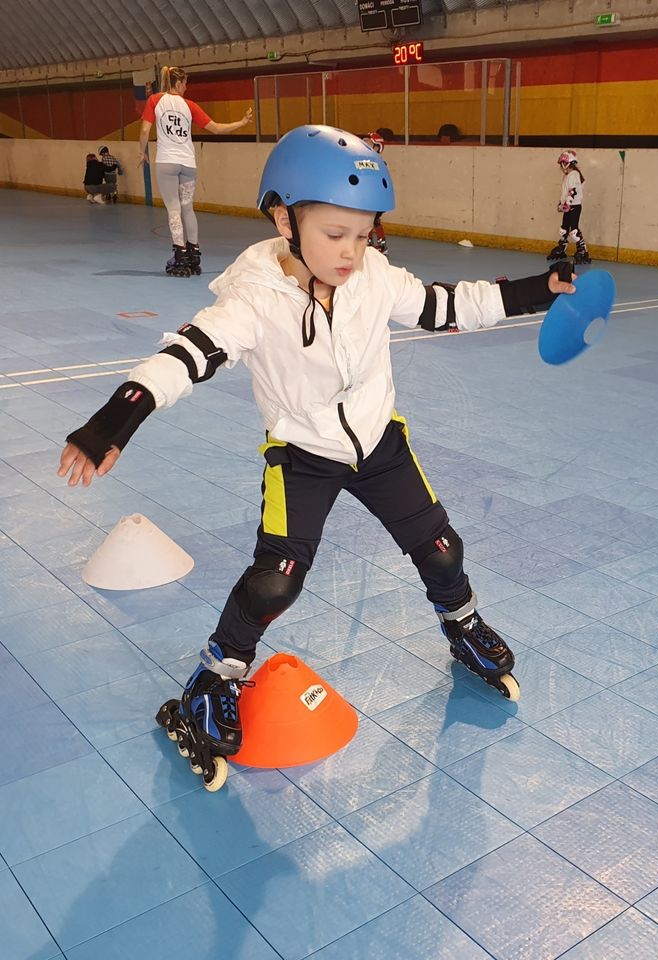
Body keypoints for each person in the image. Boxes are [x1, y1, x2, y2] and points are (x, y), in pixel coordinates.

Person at [57, 125, 576, 789]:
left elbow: (444, 305)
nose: (353, 252)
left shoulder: (374, 277)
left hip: (379, 444)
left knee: (443, 550)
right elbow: (186, 357)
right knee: (274, 582)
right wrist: (113, 421)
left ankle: (462, 624)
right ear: (285, 221)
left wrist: (537, 289)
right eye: (335, 234)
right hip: (301, 456)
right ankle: (214, 679)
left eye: (364, 234)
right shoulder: (253, 298)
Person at [138, 65, 254, 278]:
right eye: (185, 84)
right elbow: (216, 128)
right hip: (188, 164)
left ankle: (180, 255)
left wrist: (142, 152)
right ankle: (194, 254)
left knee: (173, 210)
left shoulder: (155, 100)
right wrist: (242, 122)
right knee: (187, 209)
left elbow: (145, 130)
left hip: (166, 163)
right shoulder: (190, 105)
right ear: (178, 83)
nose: (186, 88)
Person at [546, 149, 591, 265]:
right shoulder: (568, 175)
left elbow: (572, 191)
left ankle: (583, 251)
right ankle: (562, 248)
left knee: (574, 231)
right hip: (569, 206)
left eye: (562, 163)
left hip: (574, 206)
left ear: (567, 163)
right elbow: (566, 192)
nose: (561, 166)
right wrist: (562, 203)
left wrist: (567, 203)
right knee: (564, 230)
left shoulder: (574, 174)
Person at [360, 131, 389, 255]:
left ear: (377, 147)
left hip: (376, 196)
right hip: (366, 195)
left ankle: (382, 244)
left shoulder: (379, 162)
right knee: (366, 219)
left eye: (368, 143)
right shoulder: (363, 160)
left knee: (374, 220)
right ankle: (369, 241)